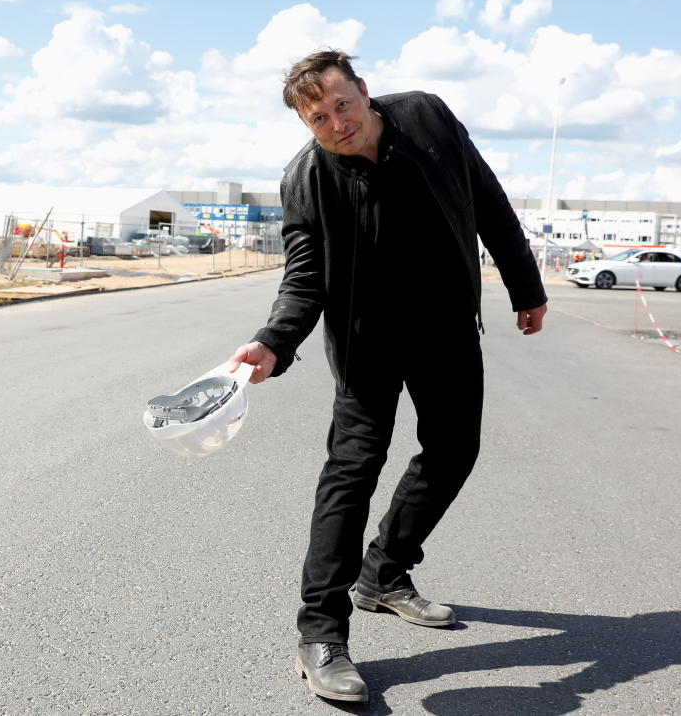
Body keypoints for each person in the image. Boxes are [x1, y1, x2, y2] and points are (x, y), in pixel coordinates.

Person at [228, 50, 547, 703]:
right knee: (352, 472)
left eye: (342, 104)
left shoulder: (426, 117)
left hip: (448, 332)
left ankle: (384, 572)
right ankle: (321, 635)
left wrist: (525, 286)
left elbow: (487, 201)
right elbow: (304, 280)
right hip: (367, 344)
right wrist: (272, 342)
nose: (336, 123)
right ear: (306, 124)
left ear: (365, 92)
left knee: (455, 451)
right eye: (318, 118)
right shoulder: (308, 179)